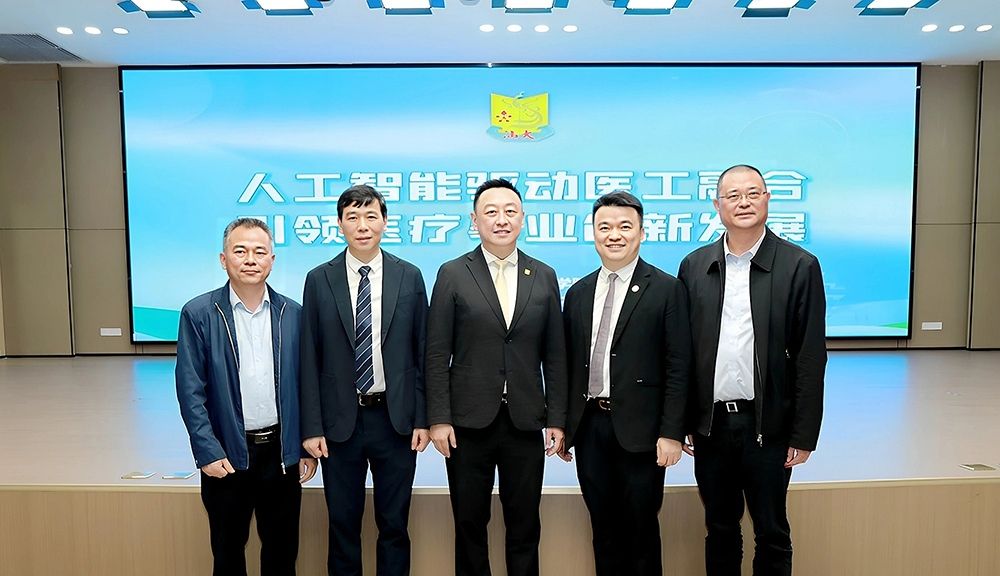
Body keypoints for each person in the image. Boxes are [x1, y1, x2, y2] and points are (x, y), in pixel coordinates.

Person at [678, 164, 827, 576]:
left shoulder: (799, 265)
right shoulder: (694, 265)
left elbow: (810, 356)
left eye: (752, 193)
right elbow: (683, 353)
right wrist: (685, 419)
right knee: (720, 528)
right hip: (712, 427)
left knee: (771, 532)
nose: (743, 202)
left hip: (769, 424)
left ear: (767, 199)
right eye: (733, 195)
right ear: (717, 205)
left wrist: (803, 433)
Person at [425, 178, 568, 576]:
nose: (501, 219)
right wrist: (439, 418)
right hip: (467, 423)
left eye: (510, 211)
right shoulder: (453, 273)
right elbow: (436, 352)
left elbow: (555, 356)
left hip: (525, 420)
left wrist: (557, 419)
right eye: (491, 212)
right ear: (475, 221)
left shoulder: (543, 275)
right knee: (469, 524)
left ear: (522, 218)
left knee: (524, 524)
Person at [299, 184, 430, 576]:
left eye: (371, 216)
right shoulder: (319, 279)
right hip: (340, 423)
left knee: (394, 524)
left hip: (395, 419)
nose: (362, 225)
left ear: (385, 222)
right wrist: (311, 427)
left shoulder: (409, 276)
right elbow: (309, 357)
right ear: (339, 224)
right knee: (342, 525)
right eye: (352, 217)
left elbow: (423, 352)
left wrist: (422, 418)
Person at [175, 217, 317, 576]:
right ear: (224, 259)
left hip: (280, 455)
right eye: (240, 251)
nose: (250, 259)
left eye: (259, 251)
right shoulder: (199, 314)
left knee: (282, 555)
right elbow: (190, 389)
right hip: (226, 454)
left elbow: (306, 387)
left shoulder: (293, 314)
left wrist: (302, 446)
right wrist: (207, 450)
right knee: (227, 554)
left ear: (272, 260)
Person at [561, 191, 691, 576]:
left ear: (641, 232)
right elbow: (568, 365)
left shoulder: (666, 289)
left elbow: (679, 365)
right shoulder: (578, 293)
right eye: (605, 227)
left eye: (624, 226)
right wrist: (565, 427)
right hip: (590, 428)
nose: (614, 235)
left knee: (641, 531)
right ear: (593, 233)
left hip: (643, 431)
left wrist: (672, 432)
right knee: (603, 530)